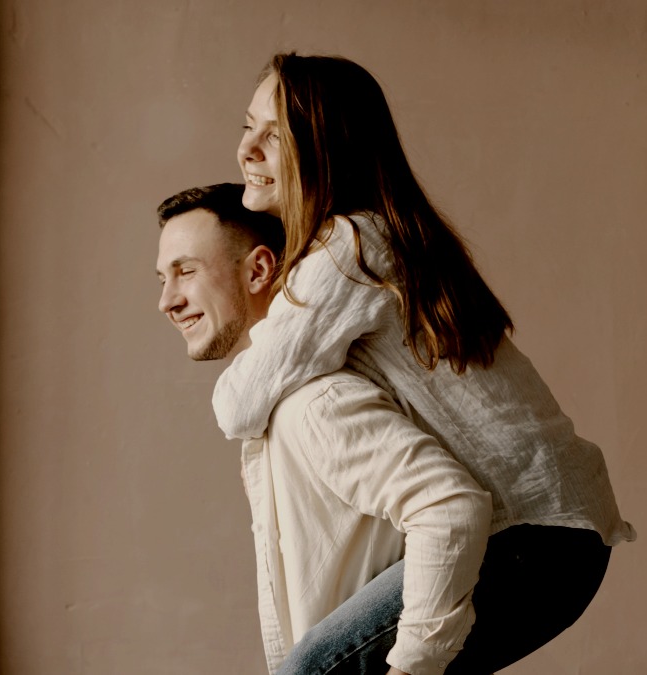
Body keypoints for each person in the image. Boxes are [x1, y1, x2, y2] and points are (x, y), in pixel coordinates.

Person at [216, 53, 637, 674]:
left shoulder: (346, 249)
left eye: (274, 136)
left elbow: (240, 404)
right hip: (560, 531)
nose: (247, 149)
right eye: (247, 126)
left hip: (526, 535)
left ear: (326, 148)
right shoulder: (385, 237)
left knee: (312, 670)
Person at [156, 183, 492, 674]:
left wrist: (410, 669)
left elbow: (449, 507)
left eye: (185, 271)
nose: (168, 301)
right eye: (162, 279)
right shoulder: (276, 410)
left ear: (259, 270)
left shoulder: (313, 403)